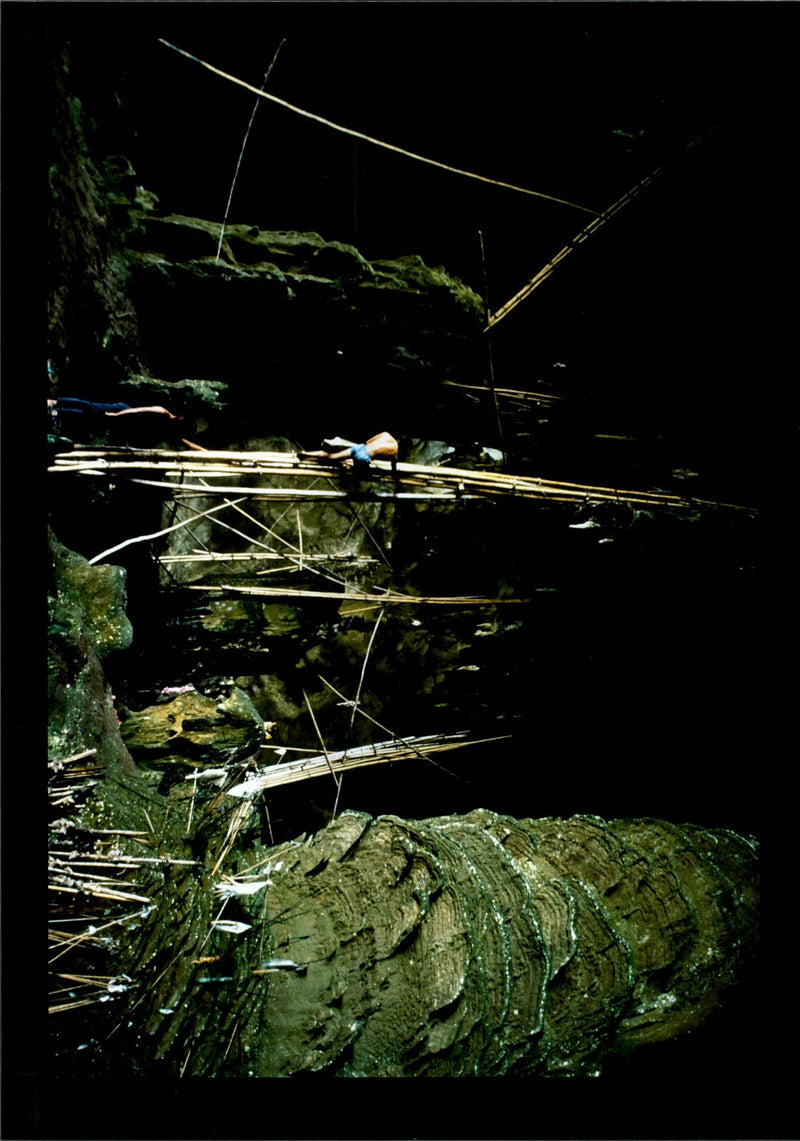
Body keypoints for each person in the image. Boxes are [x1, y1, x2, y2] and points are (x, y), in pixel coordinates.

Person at [298, 431, 399, 471]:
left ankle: (306, 453)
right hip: (363, 457)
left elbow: (368, 442)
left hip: (360, 447)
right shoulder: (395, 448)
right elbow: (393, 464)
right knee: (366, 475)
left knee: (332, 456)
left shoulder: (386, 434)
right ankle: (350, 468)